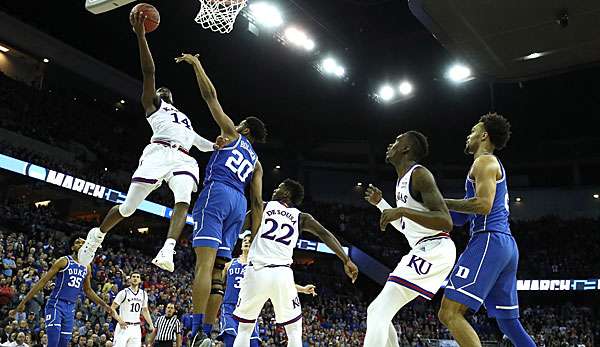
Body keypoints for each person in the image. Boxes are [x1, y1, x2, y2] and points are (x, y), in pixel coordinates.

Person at [77, 8, 222, 272]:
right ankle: (96, 236)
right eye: (158, 90)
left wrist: (215, 145)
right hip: (157, 153)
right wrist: (141, 35)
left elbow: (197, 141)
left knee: (183, 199)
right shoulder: (152, 106)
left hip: (183, 158)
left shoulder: (183, 117)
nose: (161, 89)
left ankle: (168, 249)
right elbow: (148, 72)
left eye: (165, 90)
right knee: (128, 209)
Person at [175, 53, 267, 347]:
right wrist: (254, 235)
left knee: (204, 264)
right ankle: (207, 332)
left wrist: (197, 64)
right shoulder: (257, 163)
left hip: (218, 193)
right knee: (217, 273)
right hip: (239, 206)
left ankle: (195, 332)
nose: (235, 125)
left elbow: (210, 96)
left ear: (246, 130)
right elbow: (258, 205)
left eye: (239, 124)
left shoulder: (233, 135)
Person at [438, 113, 536, 347]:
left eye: (473, 131)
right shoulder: (485, 164)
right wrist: (425, 213)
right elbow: (461, 218)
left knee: (449, 312)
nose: (468, 135)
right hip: (504, 245)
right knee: (508, 324)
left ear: (483, 135)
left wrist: (442, 202)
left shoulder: (484, 161)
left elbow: (483, 205)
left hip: (489, 240)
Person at [232, 179, 358, 347]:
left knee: (245, 329)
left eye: (279, 188)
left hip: (255, 272)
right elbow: (324, 234)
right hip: (282, 275)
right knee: (294, 331)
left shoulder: (263, 207)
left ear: (286, 194)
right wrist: (346, 259)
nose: (275, 190)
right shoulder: (301, 217)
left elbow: (237, 228)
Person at [363, 131, 456, 347]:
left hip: (436, 247)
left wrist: (402, 210)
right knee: (377, 312)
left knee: (378, 312)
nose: (391, 144)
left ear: (406, 149)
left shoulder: (420, 174)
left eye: (396, 141)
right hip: (423, 247)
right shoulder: (401, 182)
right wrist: (381, 204)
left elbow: (445, 221)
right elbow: (406, 226)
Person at [15, 237, 124, 347]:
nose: (81, 244)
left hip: (70, 308)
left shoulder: (87, 266)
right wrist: (23, 302)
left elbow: (88, 290)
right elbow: (42, 282)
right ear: (73, 247)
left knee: (64, 343)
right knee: (53, 341)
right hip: (56, 304)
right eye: (78, 242)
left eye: (83, 242)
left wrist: (104, 305)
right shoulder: (64, 261)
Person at [216, 233, 316, 347]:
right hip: (230, 307)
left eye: (250, 240)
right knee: (231, 339)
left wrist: (302, 289)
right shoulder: (230, 264)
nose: (246, 241)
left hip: (249, 307)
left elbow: (281, 283)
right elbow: (216, 283)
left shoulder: (260, 266)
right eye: (244, 240)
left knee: (253, 343)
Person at [111, 272, 154, 347]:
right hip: (124, 326)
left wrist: (151, 324)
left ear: (140, 280)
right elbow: (112, 308)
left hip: (136, 328)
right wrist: (119, 320)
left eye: (137, 277)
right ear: (130, 279)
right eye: (133, 277)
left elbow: (145, 310)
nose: (135, 278)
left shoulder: (143, 294)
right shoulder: (123, 292)